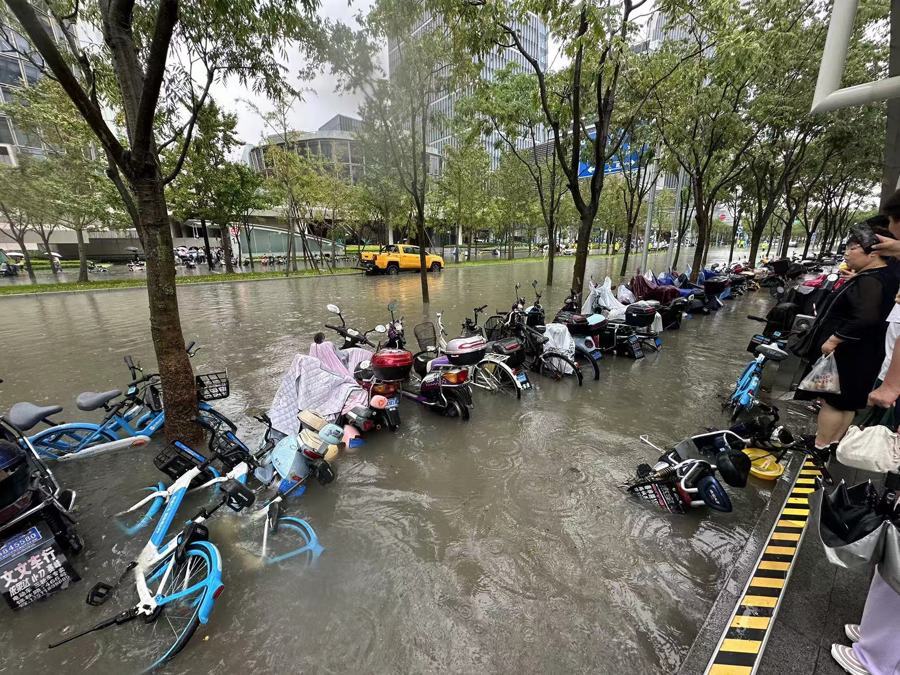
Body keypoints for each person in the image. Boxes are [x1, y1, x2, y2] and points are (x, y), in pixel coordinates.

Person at [795, 225, 900, 457]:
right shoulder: (883, 276)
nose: (846, 253)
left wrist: (834, 339)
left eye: (852, 248)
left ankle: (819, 446)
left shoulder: (870, 281)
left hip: (850, 352)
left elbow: (866, 317)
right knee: (848, 402)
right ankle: (832, 444)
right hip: (866, 353)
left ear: (872, 254)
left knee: (833, 401)